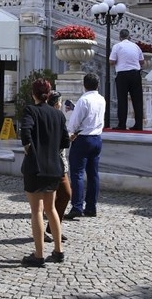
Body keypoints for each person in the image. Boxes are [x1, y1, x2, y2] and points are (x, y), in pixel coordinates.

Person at [19, 78, 69, 267]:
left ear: (33, 94)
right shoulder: (58, 115)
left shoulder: (31, 110)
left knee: (37, 211)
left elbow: (25, 132)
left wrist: (30, 150)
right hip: (54, 167)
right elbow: (66, 141)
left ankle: (39, 255)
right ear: (49, 94)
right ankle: (58, 251)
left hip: (36, 167)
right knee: (51, 209)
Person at [66, 73, 106, 219]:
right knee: (93, 173)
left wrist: (71, 132)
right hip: (97, 137)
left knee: (77, 173)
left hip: (83, 138)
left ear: (84, 85)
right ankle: (91, 206)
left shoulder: (84, 100)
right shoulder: (101, 99)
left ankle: (77, 206)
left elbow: (75, 121)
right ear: (98, 85)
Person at [46, 91, 72, 244]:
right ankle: (43, 230)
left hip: (60, 164)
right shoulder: (46, 116)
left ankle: (53, 227)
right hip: (48, 163)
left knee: (66, 194)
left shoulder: (60, 117)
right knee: (44, 200)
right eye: (60, 102)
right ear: (57, 104)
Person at [108, 28, 144, 131]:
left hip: (122, 74)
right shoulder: (136, 46)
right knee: (137, 100)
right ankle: (138, 124)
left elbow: (112, 61)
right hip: (135, 74)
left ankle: (122, 124)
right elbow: (142, 61)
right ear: (129, 37)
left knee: (122, 100)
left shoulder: (117, 46)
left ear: (120, 37)